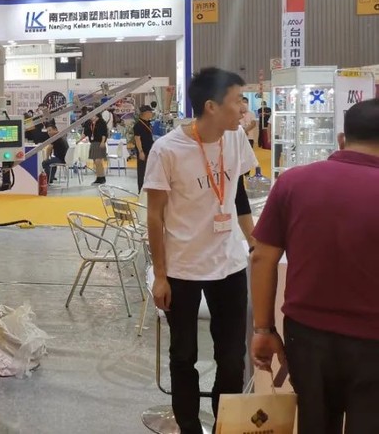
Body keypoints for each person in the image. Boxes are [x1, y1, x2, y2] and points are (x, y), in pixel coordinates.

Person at [251, 99, 379, 434]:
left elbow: (261, 257)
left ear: (341, 139)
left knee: (314, 423)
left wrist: (263, 330)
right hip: (373, 341)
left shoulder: (293, 182)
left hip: (307, 336)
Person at [143, 68, 258, 434]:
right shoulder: (167, 150)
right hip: (183, 268)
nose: (244, 109)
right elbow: (155, 215)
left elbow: (237, 194)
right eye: (237, 101)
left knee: (232, 358)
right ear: (211, 106)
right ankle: (189, 426)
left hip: (229, 265)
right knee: (183, 355)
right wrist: (160, 275)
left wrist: (253, 242)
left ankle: (225, 425)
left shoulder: (235, 139)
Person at [133, 105, 155, 192]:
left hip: (149, 150)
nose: (151, 114)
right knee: (142, 171)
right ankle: (141, 190)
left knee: (149, 170)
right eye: (150, 112)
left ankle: (148, 188)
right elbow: (137, 139)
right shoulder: (138, 125)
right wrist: (140, 151)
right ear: (145, 113)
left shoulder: (148, 123)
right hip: (143, 151)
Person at [90, 112, 109, 184]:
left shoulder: (102, 123)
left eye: (92, 115)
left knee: (98, 161)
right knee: (95, 161)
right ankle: (98, 177)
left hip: (99, 143)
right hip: (94, 143)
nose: (91, 117)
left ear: (96, 115)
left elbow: (104, 133)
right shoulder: (93, 123)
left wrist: (103, 142)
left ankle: (102, 177)